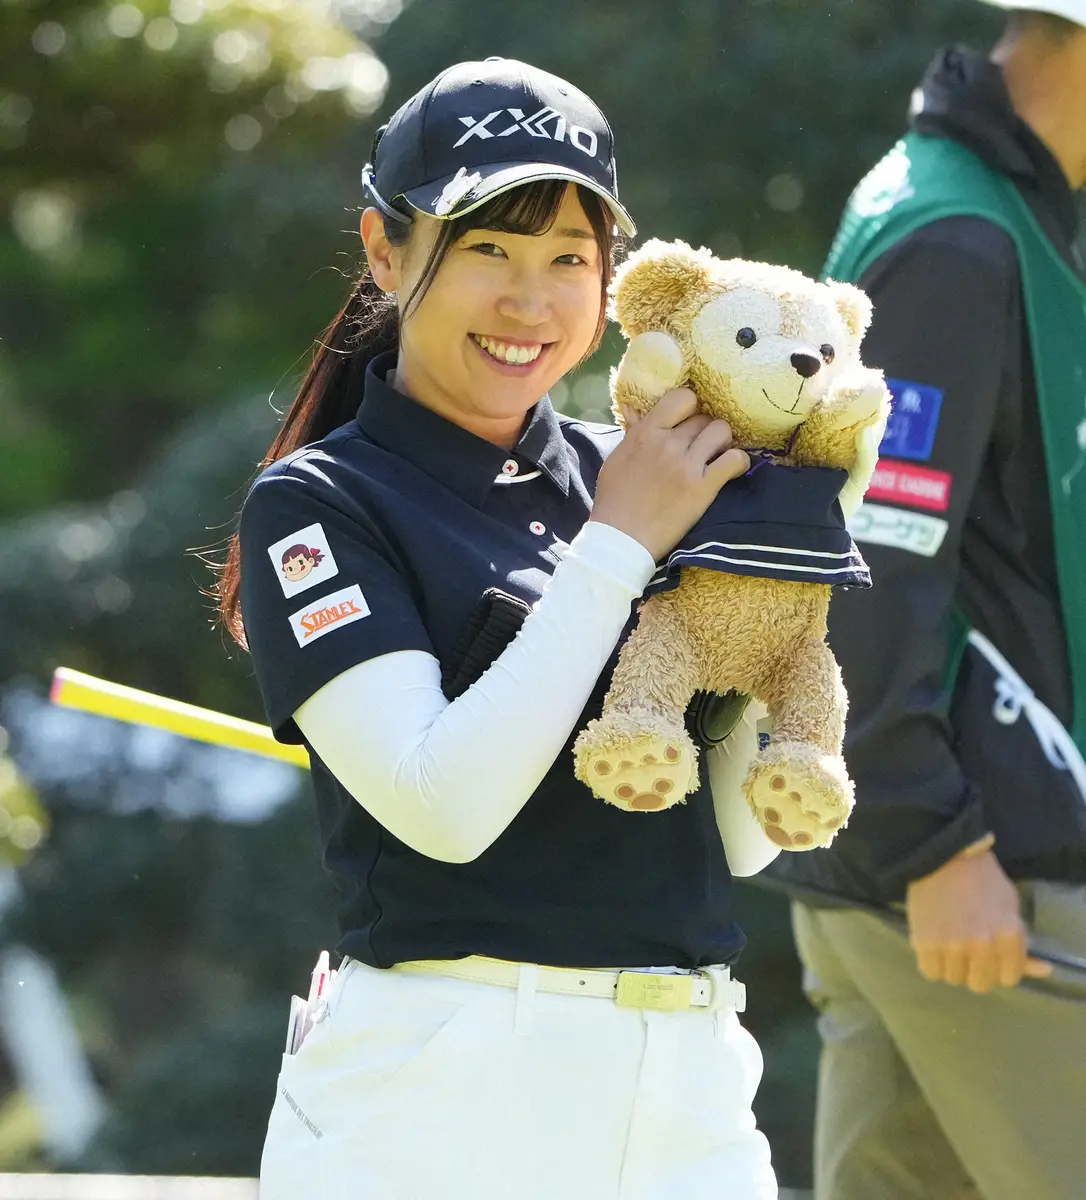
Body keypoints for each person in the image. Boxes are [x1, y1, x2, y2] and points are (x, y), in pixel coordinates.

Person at [216, 57, 782, 1199]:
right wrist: (622, 545)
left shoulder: (641, 473)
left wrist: (776, 601)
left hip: (690, 1080)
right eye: (487, 250)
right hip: (442, 1093)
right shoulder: (319, 505)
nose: (532, 302)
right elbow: (445, 808)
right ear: (386, 252)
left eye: (570, 258)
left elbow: (742, 840)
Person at [764, 3, 1086, 1199]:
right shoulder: (959, 238)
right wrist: (934, 841)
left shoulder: (978, 206)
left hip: (930, 873)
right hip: (967, 880)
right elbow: (864, 560)